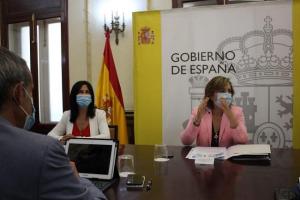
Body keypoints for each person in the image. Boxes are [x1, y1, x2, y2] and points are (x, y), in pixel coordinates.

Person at [0, 47, 106, 199]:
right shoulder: (47, 147)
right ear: (19, 93)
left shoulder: (99, 114)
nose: (84, 95)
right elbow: (51, 136)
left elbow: (106, 136)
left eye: (87, 92)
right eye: (31, 93)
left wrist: (78, 140)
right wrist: (79, 179)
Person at [180, 76, 248, 147]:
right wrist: (197, 120)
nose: (227, 94)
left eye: (229, 91)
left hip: (227, 157)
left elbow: (243, 141)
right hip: (204, 156)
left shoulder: (237, 112)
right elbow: (186, 141)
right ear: (211, 95)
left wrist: (230, 116)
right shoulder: (198, 111)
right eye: (222, 91)